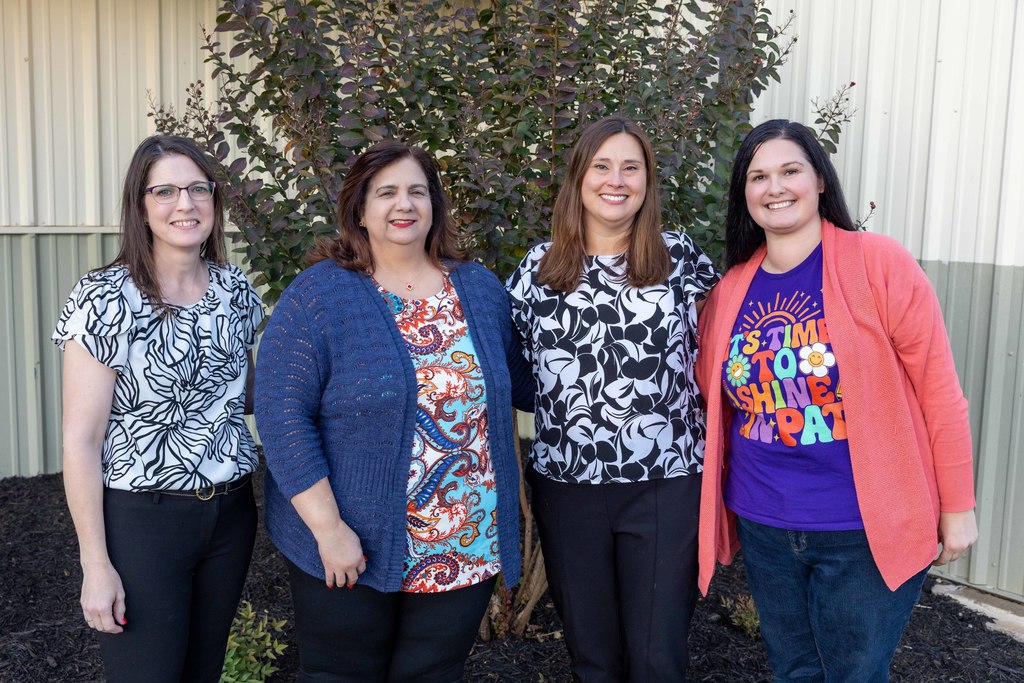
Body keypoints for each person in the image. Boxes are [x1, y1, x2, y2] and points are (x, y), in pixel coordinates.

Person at [696, 119, 979, 682]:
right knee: (794, 671)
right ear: (744, 194)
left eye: (790, 171)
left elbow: (939, 394)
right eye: (758, 176)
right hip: (766, 521)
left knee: (855, 674)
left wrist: (957, 507)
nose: (775, 187)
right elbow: (720, 404)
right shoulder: (730, 291)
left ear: (820, 180)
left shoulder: (879, 264)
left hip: (861, 527)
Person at [255, 141, 534, 682]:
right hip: (349, 539)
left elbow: (524, 382)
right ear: (359, 209)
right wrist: (328, 528)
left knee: (433, 673)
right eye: (386, 193)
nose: (403, 205)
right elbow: (281, 413)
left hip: (463, 537)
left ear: (434, 206)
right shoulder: (320, 294)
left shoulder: (478, 288)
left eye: (416, 191)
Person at [506, 115, 719, 681]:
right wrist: (565, 408)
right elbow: (514, 366)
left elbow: (719, 356)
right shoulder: (538, 268)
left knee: (657, 657)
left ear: (648, 180)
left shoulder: (681, 261)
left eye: (631, 166)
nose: (615, 179)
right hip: (567, 486)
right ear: (579, 176)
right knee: (593, 660)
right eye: (602, 165)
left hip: (666, 486)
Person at [54, 135, 264, 682]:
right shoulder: (103, 298)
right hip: (142, 522)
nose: (185, 204)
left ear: (215, 202)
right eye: (165, 191)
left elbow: (235, 399)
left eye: (199, 189)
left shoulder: (237, 292)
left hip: (231, 513)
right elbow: (81, 439)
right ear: (141, 206)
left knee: (203, 672)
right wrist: (94, 564)